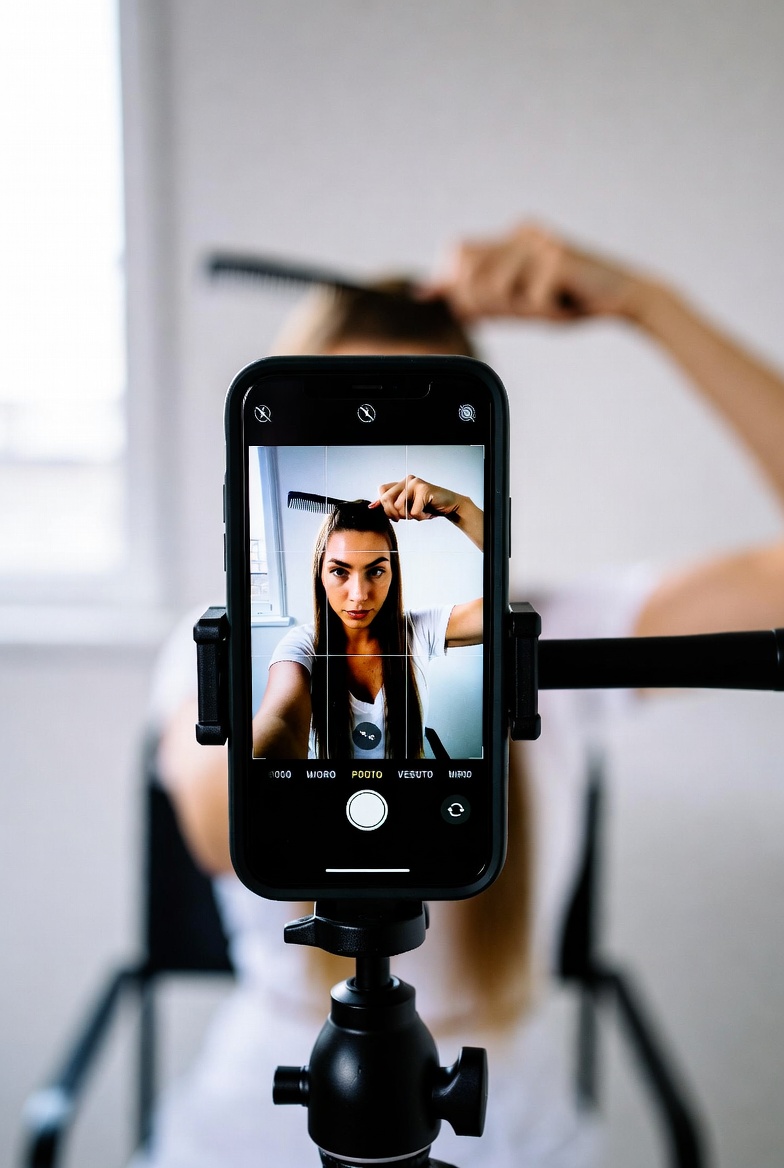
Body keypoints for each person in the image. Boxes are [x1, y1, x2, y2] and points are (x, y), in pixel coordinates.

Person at [142, 223, 784, 1168]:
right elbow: (218, 813)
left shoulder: (534, 634)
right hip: (264, 1100)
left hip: (505, 1109)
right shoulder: (236, 655)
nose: (358, 588)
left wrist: (648, 306)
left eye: (416, 430)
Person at [253, 488, 483, 761]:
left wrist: (461, 506)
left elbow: (507, 608)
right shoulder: (301, 647)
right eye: (340, 571)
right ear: (321, 576)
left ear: (392, 574)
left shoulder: (419, 630)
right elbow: (280, 723)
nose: (359, 595)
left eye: (375, 571)